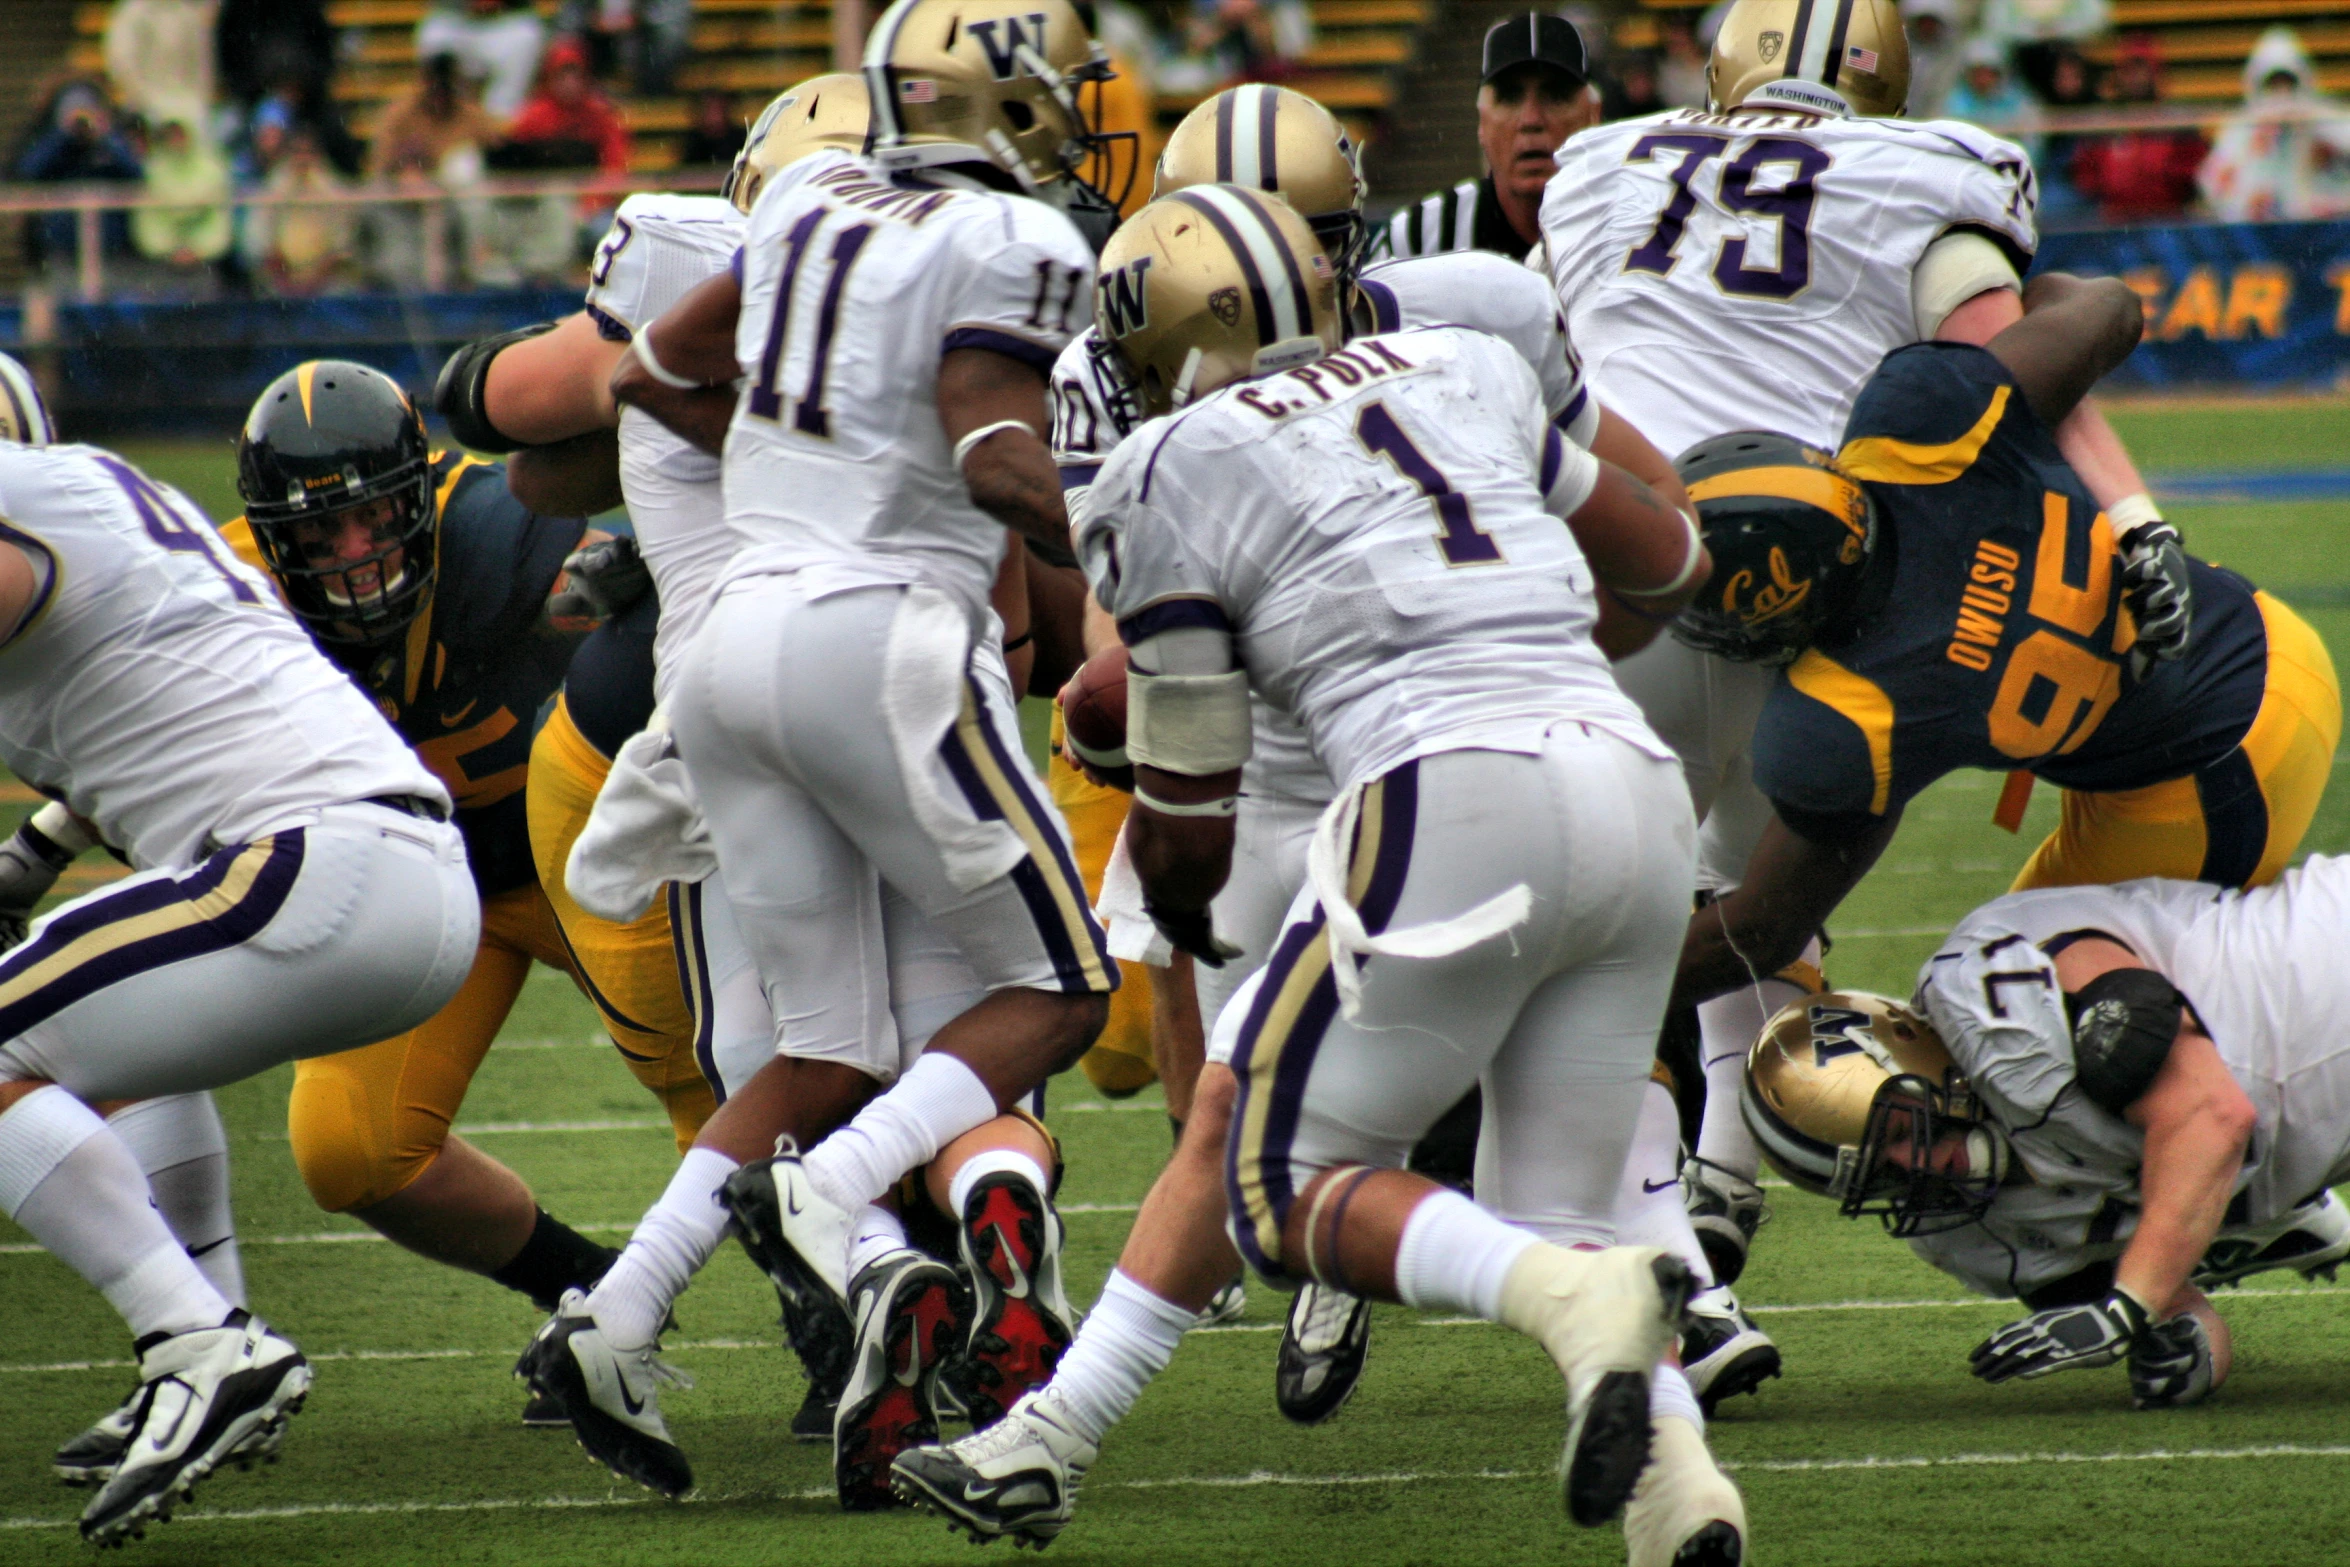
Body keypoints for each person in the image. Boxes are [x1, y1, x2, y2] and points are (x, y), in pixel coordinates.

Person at [897, 184, 1742, 1563]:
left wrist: (1173, 900)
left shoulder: (1167, 462)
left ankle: (1562, 1298)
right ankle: (1678, 1499)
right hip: (1625, 781)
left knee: (1274, 1185)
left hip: (1442, 790)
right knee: (1554, 1201)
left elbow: (1188, 790)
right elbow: (1670, 556)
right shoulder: (1467, 360)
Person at [513, 0, 1123, 1507]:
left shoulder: (796, 200)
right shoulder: (1008, 241)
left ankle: (621, 1310)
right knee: (1058, 986)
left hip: (724, 658)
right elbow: (991, 452)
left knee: (822, 1047)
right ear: (1006, 103)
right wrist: (1139, 531)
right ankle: (842, 1192)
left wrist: (807, 450)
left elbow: (646, 370)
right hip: (881, 641)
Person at [1541, 0, 2184, 1335]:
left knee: (1585, 918)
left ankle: (1669, 1223)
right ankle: (1722, 1163)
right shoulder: (1930, 173)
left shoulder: (1603, 164)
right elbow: (2005, 383)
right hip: (1819, 597)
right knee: (1760, 902)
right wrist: (2131, 521)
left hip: (1622, 577)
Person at [0, 354, 476, 1545]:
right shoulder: (100, 497)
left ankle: (199, 1342)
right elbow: (154, 723)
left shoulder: (32, 515)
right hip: (386, 872)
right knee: (109, 1045)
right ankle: (205, 1323)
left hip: (314, 870)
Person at [1671, 274, 2340, 1027]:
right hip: (2260, 631)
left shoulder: (1843, 714)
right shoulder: (1920, 422)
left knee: (2009, 1019)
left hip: (2213, 772)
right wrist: (2130, 512)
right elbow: (2107, 304)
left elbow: (1759, 929)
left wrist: (1591, 983)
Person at [219, 362, 701, 1391]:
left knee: (714, 1079)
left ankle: (844, 1302)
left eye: (375, 518)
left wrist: (622, 584)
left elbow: (658, 581)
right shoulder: (236, 592)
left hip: (579, 861)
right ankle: (591, 1291)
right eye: (320, 534)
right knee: (349, 1147)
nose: (355, 554)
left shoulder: (495, 531)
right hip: (427, 887)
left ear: (419, 488)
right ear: (271, 534)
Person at [1743, 845, 2350, 1407]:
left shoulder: (1983, 999)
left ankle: (2264, 1220)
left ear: (1910, 1053)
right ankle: (2258, 1224)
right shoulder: (1970, 1239)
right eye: (1877, 1178)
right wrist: (2170, 1356)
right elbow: (2180, 1324)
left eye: (1900, 1135)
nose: (1913, 1169)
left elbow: (2213, 1114)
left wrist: (2127, 1307)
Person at [1381, 14, 1598, 261]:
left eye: (1557, 95)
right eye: (1509, 97)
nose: (1531, 120)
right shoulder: (1414, 240)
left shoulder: (1638, 225)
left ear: (1594, 115)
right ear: (1482, 122)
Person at [2197, 26, 2350, 223]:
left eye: (2287, 83)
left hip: (2316, 228)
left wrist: (2312, 124)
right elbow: (2213, 182)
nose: (2281, 93)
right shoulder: (2241, 127)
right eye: (2274, 84)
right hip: (2261, 232)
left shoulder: (2323, 118)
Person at [2072, 35, 2206, 225]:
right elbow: (2086, 177)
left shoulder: (2178, 124)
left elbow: (2193, 176)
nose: (2135, 78)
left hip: (2168, 223)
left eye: (2141, 69)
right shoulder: (2102, 124)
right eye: (2128, 70)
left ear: (2155, 72)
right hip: (2113, 224)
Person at [13, 84, 144, 276]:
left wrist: (104, 136)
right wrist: (62, 134)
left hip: (111, 245)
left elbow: (137, 174)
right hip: (62, 246)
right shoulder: (55, 146)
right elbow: (28, 171)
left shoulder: (109, 144)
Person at [131, 111, 235, 283]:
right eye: (171, 135)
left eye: (181, 134)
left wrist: (200, 249)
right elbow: (147, 222)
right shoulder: (151, 170)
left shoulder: (213, 168)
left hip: (207, 264)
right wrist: (171, 249)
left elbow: (220, 219)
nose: (176, 140)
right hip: (162, 264)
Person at [416, 0, 548, 118]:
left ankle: (499, 121)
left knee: (528, 34)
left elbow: (527, 8)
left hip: (505, 24)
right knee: (434, 32)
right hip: (458, 22)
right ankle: (446, 112)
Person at [104, 0, 219, 122]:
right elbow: (123, 62)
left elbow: (202, 61)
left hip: (190, 103)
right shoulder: (133, 13)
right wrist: (144, 98)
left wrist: (199, 98)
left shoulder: (187, 13)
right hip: (148, 105)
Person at [676, 90, 746, 170]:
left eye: (718, 109)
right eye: (711, 109)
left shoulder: (738, 140)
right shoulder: (694, 144)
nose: (715, 115)